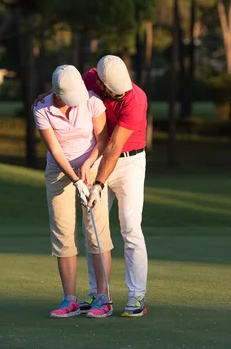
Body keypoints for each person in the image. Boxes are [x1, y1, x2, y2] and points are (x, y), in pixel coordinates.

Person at [35, 55, 149, 318]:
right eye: (114, 93)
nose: (119, 97)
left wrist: (97, 184)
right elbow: (61, 87)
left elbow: (112, 146)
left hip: (127, 162)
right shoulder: (88, 79)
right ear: (100, 82)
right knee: (94, 229)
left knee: (130, 227)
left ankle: (136, 296)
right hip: (97, 162)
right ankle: (97, 293)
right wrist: (45, 96)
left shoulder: (134, 98)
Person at [33, 64, 114, 319]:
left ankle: (103, 298)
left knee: (96, 232)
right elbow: (55, 151)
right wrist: (74, 179)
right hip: (59, 173)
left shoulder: (92, 101)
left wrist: (88, 168)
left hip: (92, 168)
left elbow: (102, 141)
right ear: (57, 93)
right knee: (63, 233)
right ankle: (70, 300)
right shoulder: (42, 108)